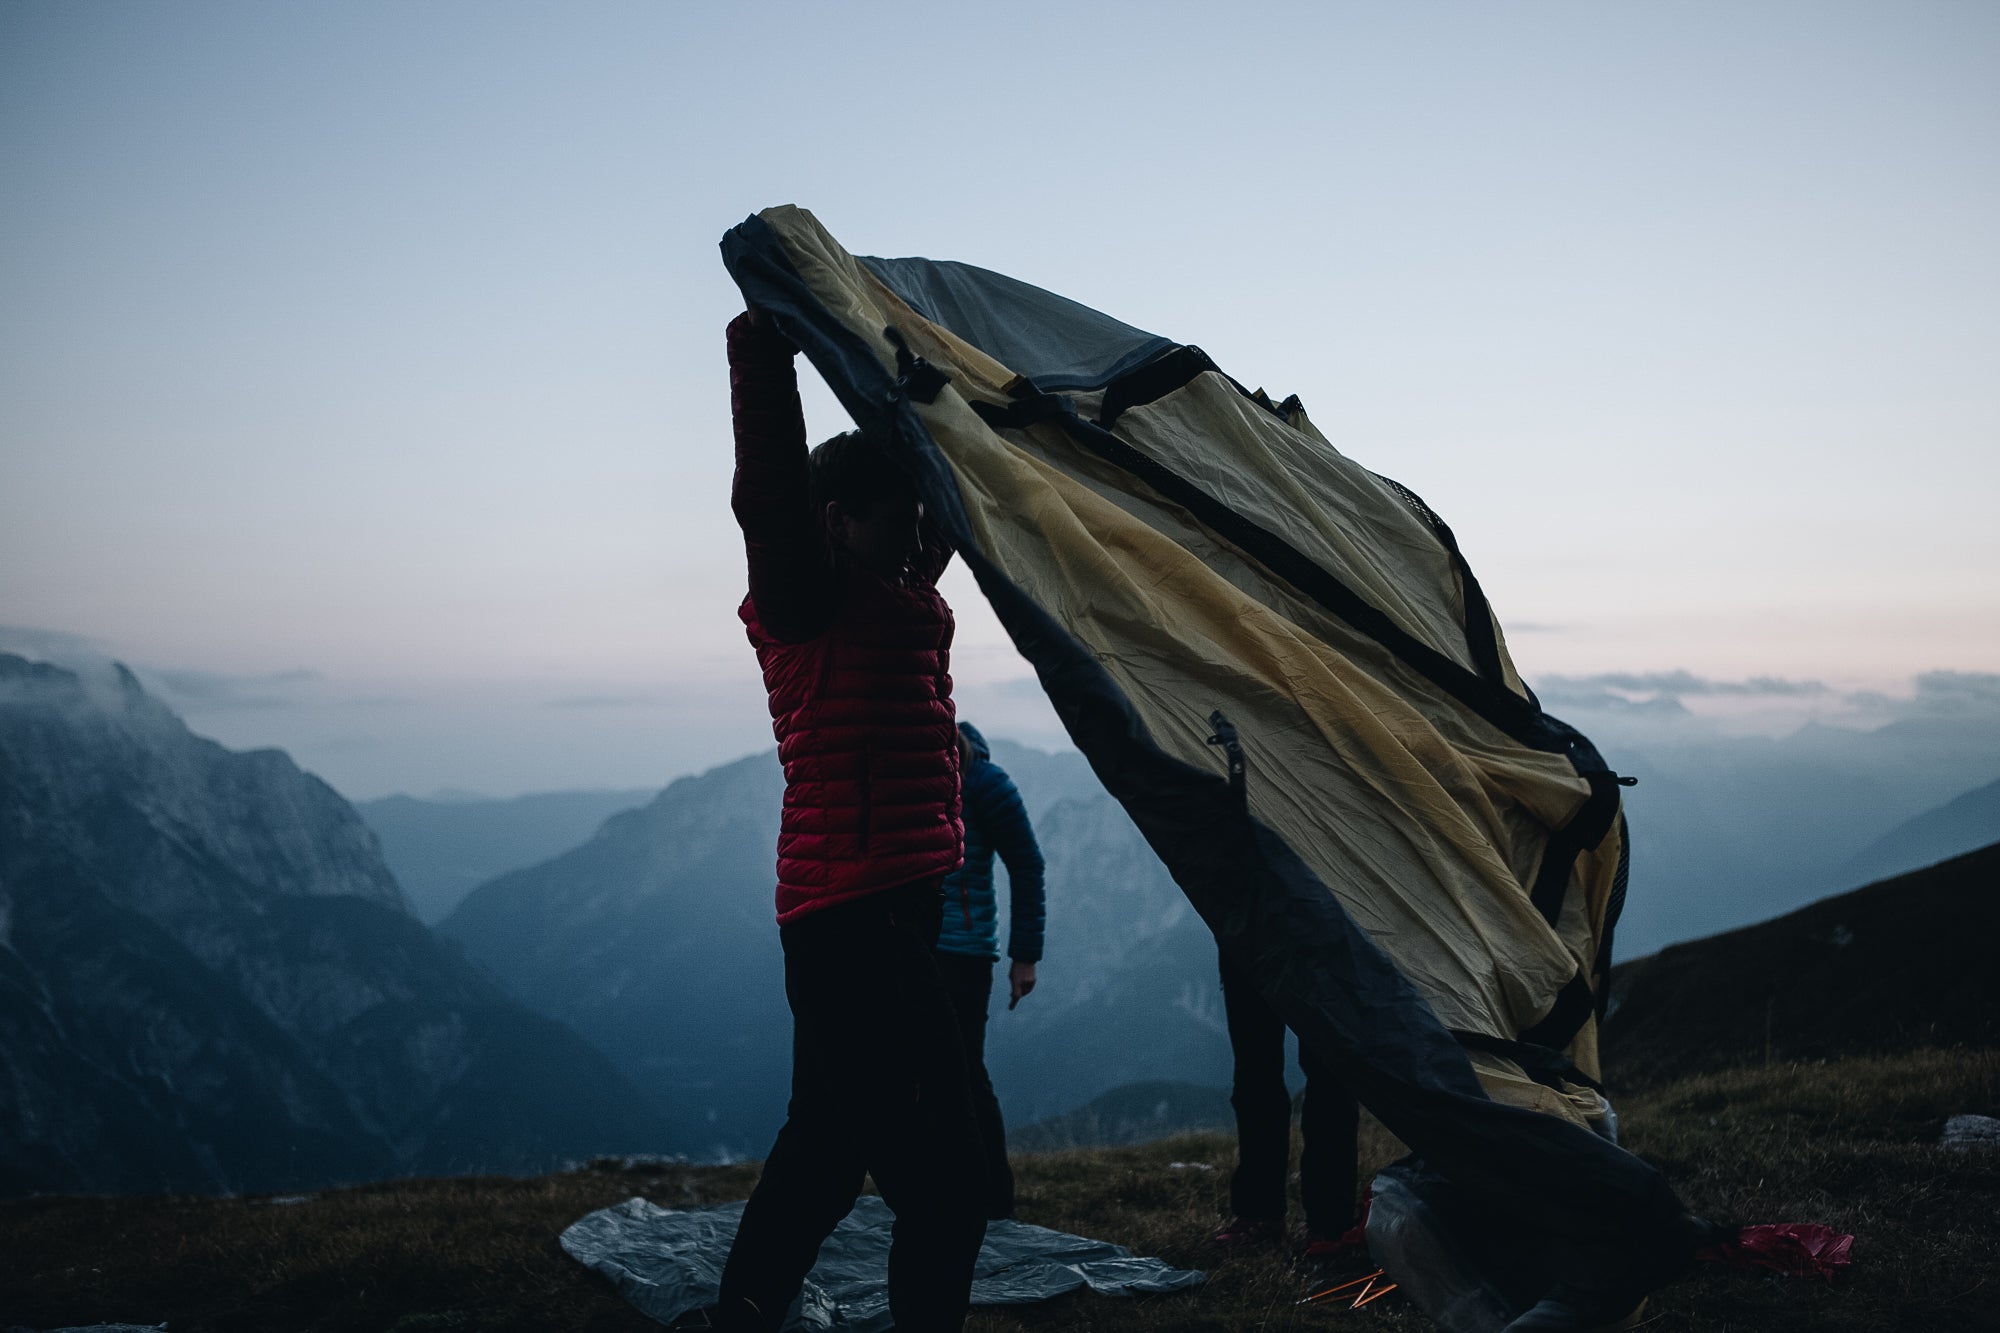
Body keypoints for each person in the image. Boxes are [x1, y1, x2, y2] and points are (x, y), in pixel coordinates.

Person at [714, 307, 986, 1333]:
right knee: (948, 1181)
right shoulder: (806, 602)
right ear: (835, 521)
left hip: (881, 911)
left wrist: (930, 390)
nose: (915, 536)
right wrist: (764, 347)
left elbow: (958, 501)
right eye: (891, 518)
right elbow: (770, 490)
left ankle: (741, 1314)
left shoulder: (900, 589)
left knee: (826, 1151)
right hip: (855, 919)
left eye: (916, 521)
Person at [934, 720, 1047, 1220]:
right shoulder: (909, 774)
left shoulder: (983, 780)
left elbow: (1026, 863)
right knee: (919, 1074)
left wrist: (1025, 955)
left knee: (964, 1074)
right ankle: (940, 1193)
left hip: (963, 950)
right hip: (908, 946)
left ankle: (993, 1202)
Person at [1213, 951, 1364, 1257]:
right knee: (1255, 1075)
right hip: (1246, 932)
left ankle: (1330, 1224)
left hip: (1322, 934)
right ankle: (1260, 1215)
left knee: (1329, 1075)